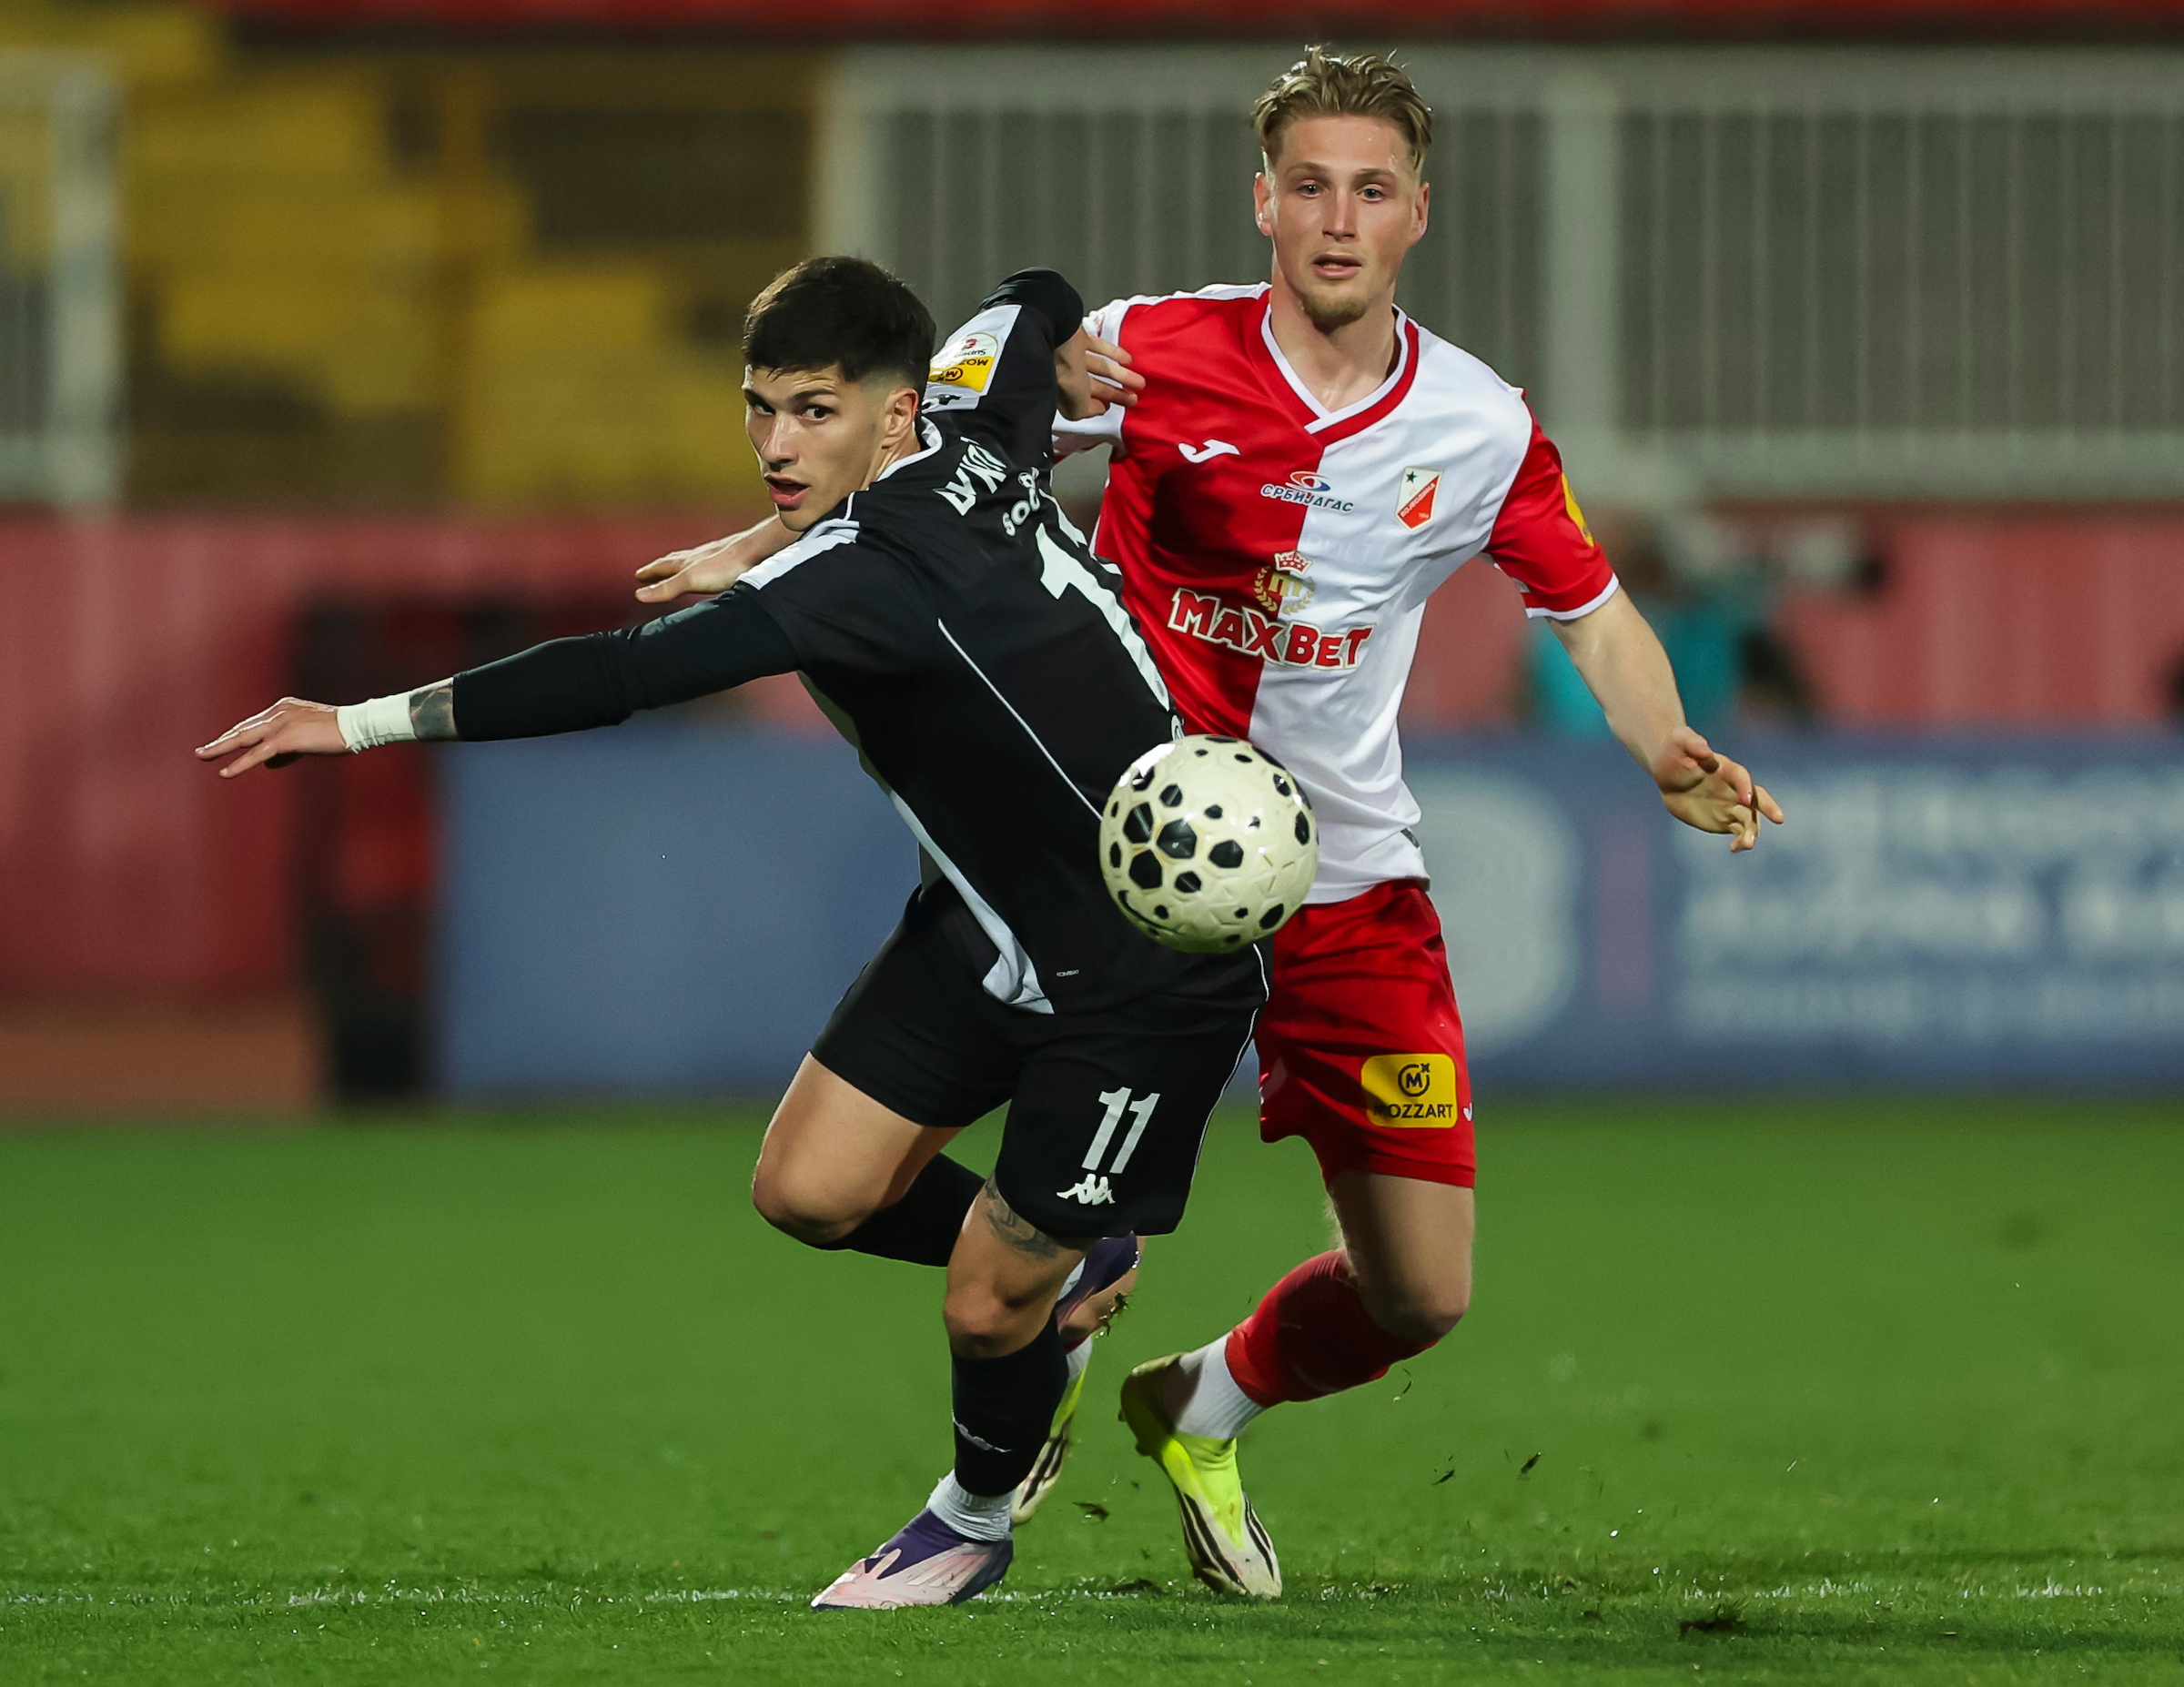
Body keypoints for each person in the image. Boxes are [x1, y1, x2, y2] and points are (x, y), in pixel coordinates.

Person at [632, 48, 1785, 1601]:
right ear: (1262, 199)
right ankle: (999, 1422)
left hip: (1343, 880)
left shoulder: (1477, 424)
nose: (1335, 218)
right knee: (853, 1196)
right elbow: (926, 473)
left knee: (1423, 1295)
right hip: (1120, 861)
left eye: (1369, 190)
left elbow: (1590, 605)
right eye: (1307, 184)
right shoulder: (1143, 353)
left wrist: (1662, 740)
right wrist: (761, 545)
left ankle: (1203, 1400)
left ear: (1416, 215)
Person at [195, 258, 1266, 1610]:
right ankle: (1073, 1252)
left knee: (987, 1303)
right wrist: (1049, 362)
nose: (773, 445)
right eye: (760, 408)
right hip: (992, 921)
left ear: (893, 414)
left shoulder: (861, 580)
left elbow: (617, 675)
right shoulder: (975, 407)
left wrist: (347, 723)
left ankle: (972, 1517)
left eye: (813, 413)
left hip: (1142, 970)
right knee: (809, 1191)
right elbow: (1036, 290)